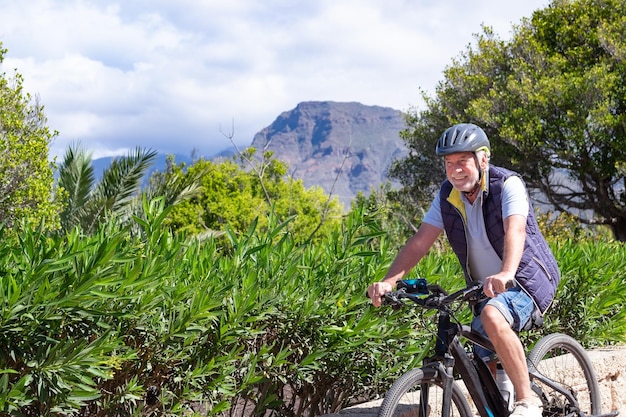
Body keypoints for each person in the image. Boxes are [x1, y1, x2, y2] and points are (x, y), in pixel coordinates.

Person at [367, 123, 560, 417]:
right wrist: (390, 281)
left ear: (482, 159)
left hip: (524, 281)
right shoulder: (447, 196)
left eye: (462, 162)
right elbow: (420, 241)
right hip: (485, 288)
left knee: (493, 317)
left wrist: (507, 273)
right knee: (482, 353)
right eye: (448, 163)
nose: (455, 170)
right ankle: (505, 405)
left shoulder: (507, 185)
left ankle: (527, 401)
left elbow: (516, 230)